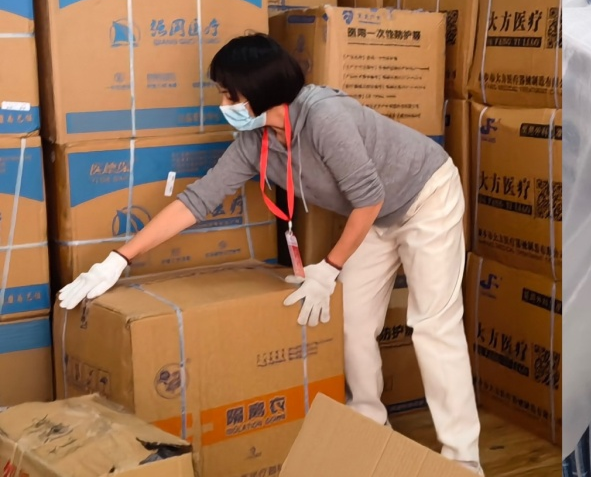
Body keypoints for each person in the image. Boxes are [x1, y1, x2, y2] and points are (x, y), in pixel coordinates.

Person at [57, 34, 484, 474]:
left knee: (432, 325)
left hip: (425, 195)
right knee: (352, 322)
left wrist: (330, 268)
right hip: (373, 217)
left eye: (228, 94)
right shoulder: (256, 142)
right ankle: (368, 427)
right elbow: (198, 200)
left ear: (258, 90)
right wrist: (119, 259)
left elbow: (369, 197)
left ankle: (464, 460)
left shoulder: (324, 117)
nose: (223, 104)